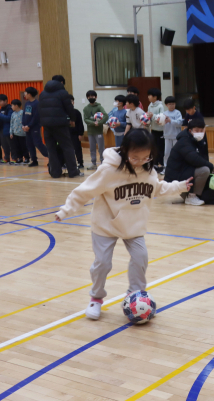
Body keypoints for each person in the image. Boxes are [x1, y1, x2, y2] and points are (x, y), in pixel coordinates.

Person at [55, 129, 191, 320]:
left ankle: (135, 294)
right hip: (105, 225)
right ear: (125, 151)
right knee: (102, 263)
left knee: (141, 257)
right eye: (135, 157)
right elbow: (84, 191)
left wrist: (181, 186)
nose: (140, 161)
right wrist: (66, 210)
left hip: (133, 226)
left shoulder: (147, 169)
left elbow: (157, 188)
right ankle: (96, 298)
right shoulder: (109, 170)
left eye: (146, 157)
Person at [39, 75, 84, 178]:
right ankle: (73, 172)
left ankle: (55, 173)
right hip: (60, 125)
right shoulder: (62, 93)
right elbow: (69, 107)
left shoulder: (42, 93)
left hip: (46, 126)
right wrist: (72, 119)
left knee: (51, 149)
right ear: (62, 82)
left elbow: (40, 110)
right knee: (67, 147)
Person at [164, 118, 214, 206]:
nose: (199, 132)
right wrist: (211, 166)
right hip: (176, 175)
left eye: (201, 130)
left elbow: (203, 157)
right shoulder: (184, 141)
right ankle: (191, 197)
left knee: (206, 168)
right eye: (196, 130)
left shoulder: (199, 140)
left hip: (185, 170)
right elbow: (194, 159)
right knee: (204, 170)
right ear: (190, 130)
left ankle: (187, 194)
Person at [22, 86, 49, 167]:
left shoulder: (37, 104)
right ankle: (34, 160)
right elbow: (24, 115)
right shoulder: (27, 103)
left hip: (34, 127)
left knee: (38, 143)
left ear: (29, 94)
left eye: (26, 93)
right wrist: (23, 125)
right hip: (27, 128)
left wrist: (29, 125)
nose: (25, 94)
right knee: (29, 144)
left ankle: (51, 157)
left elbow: (36, 117)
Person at [83, 90, 109, 170]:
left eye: (93, 96)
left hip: (98, 132)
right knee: (92, 148)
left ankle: (103, 162)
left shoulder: (99, 107)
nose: (91, 97)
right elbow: (86, 119)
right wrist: (93, 123)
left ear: (96, 97)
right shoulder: (86, 108)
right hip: (90, 132)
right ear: (87, 97)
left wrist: (100, 123)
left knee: (101, 148)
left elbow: (106, 116)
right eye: (89, 96)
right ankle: (93, 163)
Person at [146, 88, 166, 173]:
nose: (148, 97)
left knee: (161, 148)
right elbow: (150, 118)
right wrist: (147, 119)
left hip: (160, 130)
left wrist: (153, 115)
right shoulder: (150, 106)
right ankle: (154, 164)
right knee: (153, 147)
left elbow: (161, 118)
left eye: (149, 95)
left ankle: (161, 165)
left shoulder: (160, 106)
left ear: (155, 97)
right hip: (153, 130)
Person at [162, 96, 183, 170]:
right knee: (167, 153)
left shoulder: (177, 112)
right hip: (167, 136)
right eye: (170, 104)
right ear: (166, 105)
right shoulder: (164, 113)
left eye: (173, 104)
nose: (171, 105)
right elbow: (162, 124)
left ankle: (178, 167)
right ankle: (166, 167)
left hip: (176, 136)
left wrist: (171, 120)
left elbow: (180, 123)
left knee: (177, 152)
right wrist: (159, 121)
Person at [66, 95, 85, 169]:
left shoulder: (76, 112)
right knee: (66, 149)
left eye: (71, 101)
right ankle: (66, 162)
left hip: (75, 134)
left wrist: (80, 134)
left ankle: (80, 163)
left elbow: (80, 124)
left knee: (77, 149)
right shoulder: (63, 112)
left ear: (73, 102)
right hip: (65, 134)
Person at [9, 99, 29, 164]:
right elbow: (11, 123)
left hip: (23, 133)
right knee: (17, 147)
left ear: (16, 105)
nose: (11, 107)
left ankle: (26, 158)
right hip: (15, 133)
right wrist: (11, 132)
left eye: (12, 105)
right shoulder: (13, 114)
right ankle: (19, 158)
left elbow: (26, 121)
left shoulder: (23, 112)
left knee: (24, 146)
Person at [0, 94, 13, 164]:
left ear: (6, 101)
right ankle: (6, 157)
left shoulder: (9, 108)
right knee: (4, 145)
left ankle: (15, 158)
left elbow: (9, 118)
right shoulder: (1, 109)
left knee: (11, 145)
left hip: (8, 130)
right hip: (1, 129)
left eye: (1, 101)